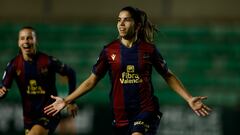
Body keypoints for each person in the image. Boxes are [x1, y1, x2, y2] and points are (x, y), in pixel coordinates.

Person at [44, 6, 211, 135]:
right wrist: (66, 100)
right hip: (121, 116)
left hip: (145, 110)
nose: (121, 24)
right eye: (119, 20)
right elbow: (91, 80)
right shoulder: (109, 51)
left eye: (126, 20)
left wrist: (189, 98)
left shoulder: (148, 50)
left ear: (137, 25)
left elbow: (168, 75)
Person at [0, 26, 78, 135]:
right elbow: (3, 89)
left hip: (50, 112)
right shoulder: (14, 65)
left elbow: (71, 73)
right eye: (22, 38)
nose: (26, 41)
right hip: (29, 117)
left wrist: (71, 101)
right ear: (18, 42)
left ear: (36, 41)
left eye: (29, 38)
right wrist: (2, 92)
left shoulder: (47, 61)